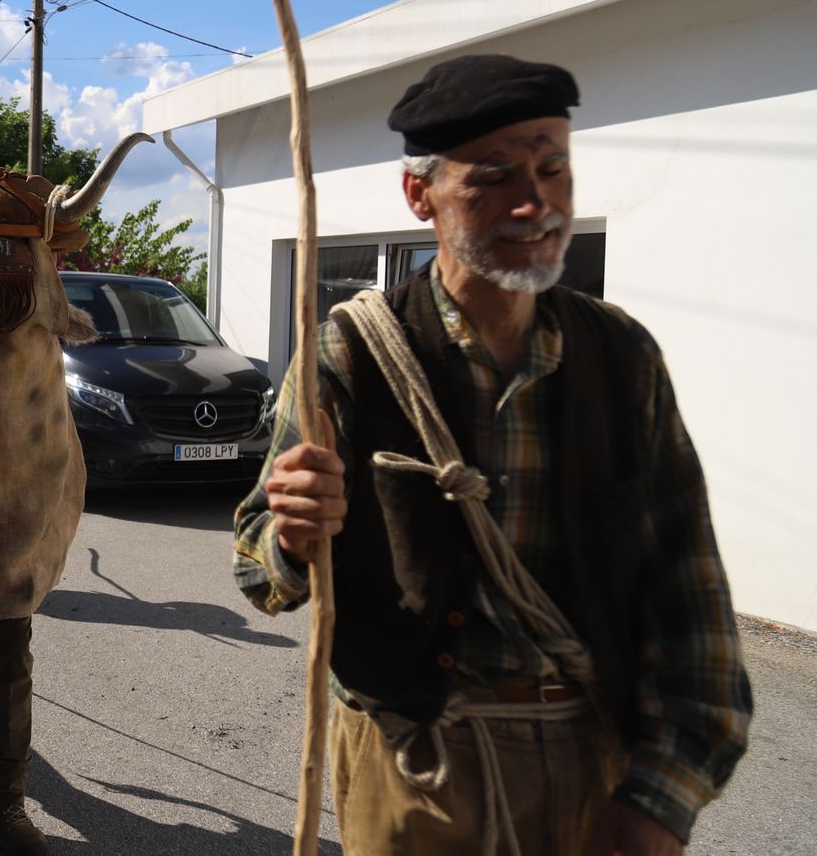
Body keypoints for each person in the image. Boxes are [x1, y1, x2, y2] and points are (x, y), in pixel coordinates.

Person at [234, 55, 751, 856]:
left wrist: (664, 795)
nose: (535, 201)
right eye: (494, 176)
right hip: (413, 764)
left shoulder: (622, 357)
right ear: (421, 194)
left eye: (552, 168)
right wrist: (296, 536)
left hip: (594, 757)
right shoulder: (346, 350)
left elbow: (693, 594)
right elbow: (258, 565)